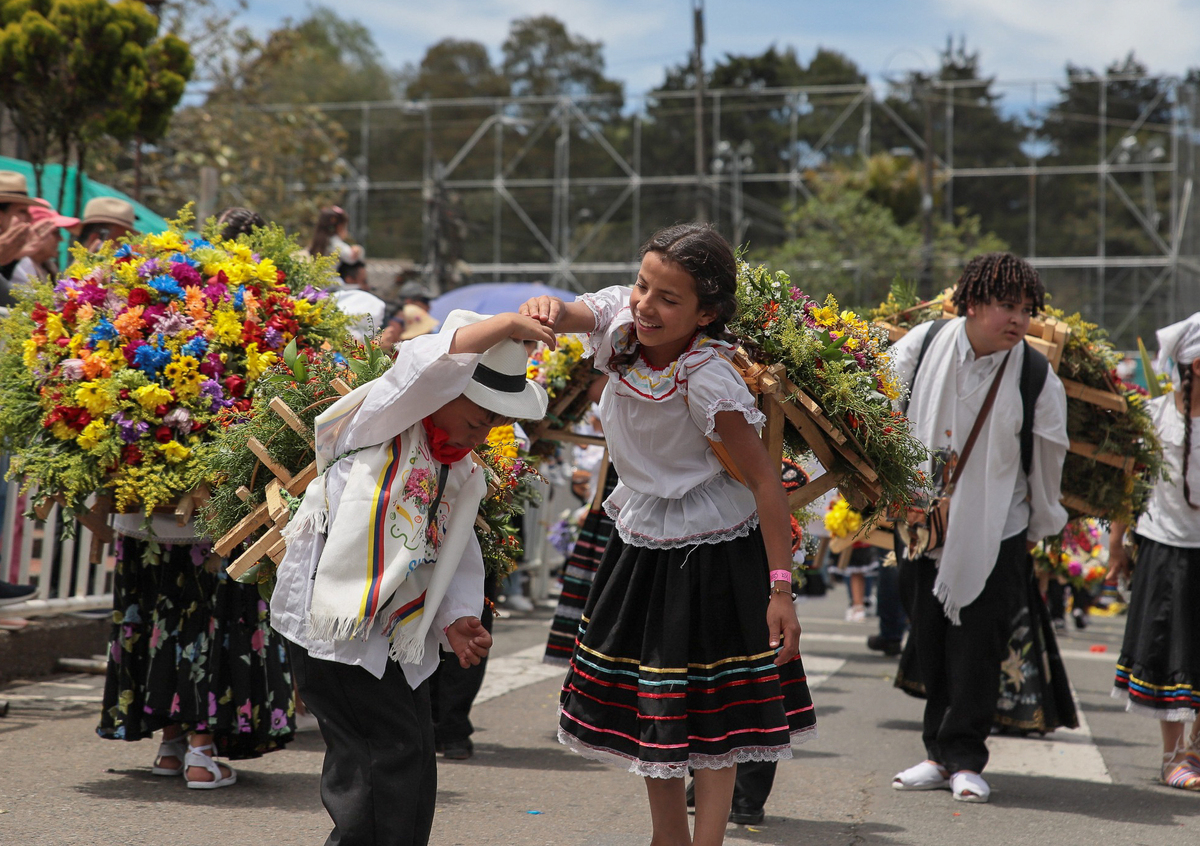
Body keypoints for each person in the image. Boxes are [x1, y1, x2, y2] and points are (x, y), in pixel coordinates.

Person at [520, 223, 815, 846]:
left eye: (667, 298)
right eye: (642, 284)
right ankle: (668, 838)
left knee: (716, 708)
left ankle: (704, 840)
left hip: (715, 549)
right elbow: (575, 311)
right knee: (654, 700)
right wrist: (544, 307)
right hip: (641, 541)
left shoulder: (709, 378)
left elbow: (765, 484)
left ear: (706, 314)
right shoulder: (620, 326)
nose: (644, 304)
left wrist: (780, 591)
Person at [270, 308, 552, 846]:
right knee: (381, 771)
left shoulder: (461, 471)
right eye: (479, 412)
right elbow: (424, 362)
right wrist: (507, 324)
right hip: (340, 632)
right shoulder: (384, 422)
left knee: (413, 762)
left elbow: (457, 548)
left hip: (398, 637)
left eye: (497, 420)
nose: (485, 429)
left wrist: (459, 615)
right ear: (442, 393)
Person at [888, 252, 1069, 803]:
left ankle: (965, 757)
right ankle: (934, 754)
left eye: (1025, 309)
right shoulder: (920, 345)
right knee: (930, 635)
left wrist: (1037, 528)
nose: (1018, 319)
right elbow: (879, 407)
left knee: (979, 645)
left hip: (998, 528)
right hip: (920, 523)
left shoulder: (1036, 375)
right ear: (972, 302)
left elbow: (1046, 459)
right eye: (1005, 306)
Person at [1108, 314, 1200, 790]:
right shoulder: (1157, 416)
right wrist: (1115, 546)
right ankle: (1173, 755)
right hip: (1166, 548)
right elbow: (1130, 484)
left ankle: (1196, 751)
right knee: (1172, 654)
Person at [332, 258, 388, 342]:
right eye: (364, 282)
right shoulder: (366, 300)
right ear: (349, 279)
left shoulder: (329, 299)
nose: (367, 287)